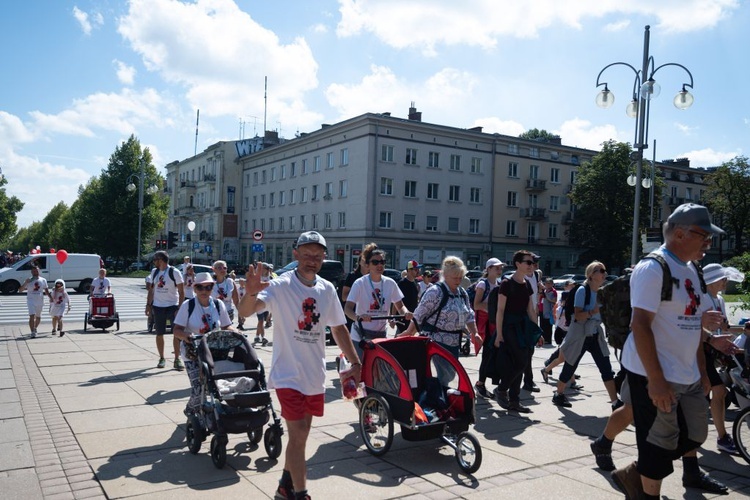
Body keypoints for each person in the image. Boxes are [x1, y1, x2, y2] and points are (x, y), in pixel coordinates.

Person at [611, 203, 727, 499]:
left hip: (686, 371)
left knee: (695, 434)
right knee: (658, 443)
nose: (708, 243)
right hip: (655, 373)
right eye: (704, 236)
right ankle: (647, 493)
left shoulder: (692, 270)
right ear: (679, 233)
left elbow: (691, 326)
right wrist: (657, 380)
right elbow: (641, 326)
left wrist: (702, 371)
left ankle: (633, 473)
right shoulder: (653, 267)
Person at [237, 231, 362, 500]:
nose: (312, 259)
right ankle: (301, 493)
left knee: (299, 438)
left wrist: (355, 361)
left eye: (317, 255)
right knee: (300, 433)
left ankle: (285, 485)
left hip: (313, 375)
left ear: (324, 258)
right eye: (306, 254)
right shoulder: (281, 285)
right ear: (296, 254)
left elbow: (339, 328)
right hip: (287, 374)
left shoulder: (326, 289)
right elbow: (246, 311)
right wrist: (249, 293)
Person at [550, 261, 618, 409]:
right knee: (570, 365)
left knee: (606, 368)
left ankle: (615, 402)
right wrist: (594, 311)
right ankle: (559, 394)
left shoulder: (602, 292)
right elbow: (578, 315)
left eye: (605, 270)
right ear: (591, 274)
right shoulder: (583, 291)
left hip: (594, 334)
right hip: (580, 333)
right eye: (601, 270)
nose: (604, 273)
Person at [172, 272, 233, 417]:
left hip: (214, 352)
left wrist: (235, 332)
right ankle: (191, 410)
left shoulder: (218, 305)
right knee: (198, 389)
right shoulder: (189, 305)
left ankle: (204, 410)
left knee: (212, 387)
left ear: (213, 288)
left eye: (208, 287)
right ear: (194, 289)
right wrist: (187, 336)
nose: (204, 291)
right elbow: (176, 330)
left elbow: (226, 326)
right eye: (200, 287)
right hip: (192, 353)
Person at [400, 256, 480, 359]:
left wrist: (475, 333)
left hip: (455, 344)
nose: (458, 281)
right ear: (446, 275)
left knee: (450, 374)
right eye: (455, 278)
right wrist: (409, 332)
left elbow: (469, 315)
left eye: (460, 278)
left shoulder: (462, 293)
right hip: (435, 343)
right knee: (445, 375)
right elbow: (419, 315)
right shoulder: (435, 292)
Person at [490, 250, 539, 413]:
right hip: (508, 327)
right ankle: (502, 389)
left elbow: (531, 310)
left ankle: (514, 400)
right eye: (528, 262)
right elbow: (500, 310)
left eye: (532, 263)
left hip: (523, 327)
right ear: (518, 264)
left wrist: (537, 332)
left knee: (522, 360)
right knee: (521, 361)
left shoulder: (528, 284)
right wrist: (499, 334)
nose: (532, 265)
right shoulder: (506, 283)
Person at [345, 248, 413, 361]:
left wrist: (405, 313)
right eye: (375, 262)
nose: (379, 265)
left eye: (382, 262)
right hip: (361, 335)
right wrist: (358, 317)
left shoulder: (390, 283)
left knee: (379, 371)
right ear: (368, 265)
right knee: (362, 369)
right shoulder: (360, 283)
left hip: (380, 334)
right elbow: (347, 309)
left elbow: (400, 306)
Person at [145, 250, 185, 370]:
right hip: (158, 306)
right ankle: (162, 358)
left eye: (155, 259)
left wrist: (179, 308)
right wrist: (148, 305)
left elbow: (182, 292)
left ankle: (177, 359)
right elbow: (151, 290)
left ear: (161, 260)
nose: (154, 262)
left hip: (172, 305)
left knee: (176, 333)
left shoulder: (174, 272)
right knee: (159, 333)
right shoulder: (154, 272)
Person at [473, 258, 504, 398]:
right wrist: (492, 309)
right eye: (497, 267)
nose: (499, 270)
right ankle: (480, 384)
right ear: (489, 269)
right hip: (484, 326)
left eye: (500, 268)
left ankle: (484, 382)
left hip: (494, 323)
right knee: (487, 354)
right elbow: (476, 305)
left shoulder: (499, 284)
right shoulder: (482, 284)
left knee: (493, 354)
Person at [340, 243, 376, 331]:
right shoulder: (352, 276)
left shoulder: (374, 277)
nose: (366, 263)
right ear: (360, 262)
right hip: (353, 314)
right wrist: (358, 295)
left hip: (368, 315)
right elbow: (344, 297)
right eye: (364, 260)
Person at [20, 264, 51, 338]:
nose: (35, 272)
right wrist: (25, 283)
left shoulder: (43, 280)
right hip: (31, 300)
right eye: (33, 271)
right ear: (31, 272)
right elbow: (20, 290)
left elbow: (46, 290)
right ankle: (32, 332)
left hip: (39, 300)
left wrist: (51, 298)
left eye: (36, 270)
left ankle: (35, 328)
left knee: (38, 317)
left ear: (39, 271)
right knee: (31, 316)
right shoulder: (28, 280)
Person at [394, 260, 421, 335]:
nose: (418, 271)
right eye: (416, 269)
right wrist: (393, 318)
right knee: (399, 340)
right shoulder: (402, 283)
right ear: (409, 270)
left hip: (412, 318)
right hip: (402, 318)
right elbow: (395, 301)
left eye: (418, 269)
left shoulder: (415, 283)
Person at [212, 260, 239, 325]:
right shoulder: (210, 283)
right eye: (219, 268)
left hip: (228, 314)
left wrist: (240, 314)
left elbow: (237, 301)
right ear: (214, 269)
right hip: (214, 314)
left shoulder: (230, 282)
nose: (223, 270)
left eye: (224, 268)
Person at [254, 262, 275, 345]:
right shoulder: (258, 278)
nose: (262, 270)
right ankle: (263, 338)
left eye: (264, 268)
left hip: (268, 302)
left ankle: (256, 336)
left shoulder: (271, 278)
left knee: (263, 321)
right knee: (261, 321)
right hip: (258, 301)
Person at [540, 278, 557, 345]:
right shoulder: (544, 291)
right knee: (542, 326)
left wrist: (547, 298)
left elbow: (554, 301)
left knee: (548, 326)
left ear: (552, 284)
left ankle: (548, 340)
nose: (548, 285)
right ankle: (543, 339)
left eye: (549, 283)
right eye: (546, 283)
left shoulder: (553, 291)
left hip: (549, 311)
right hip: (542, 310)